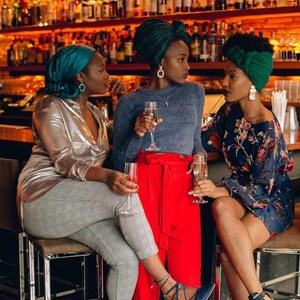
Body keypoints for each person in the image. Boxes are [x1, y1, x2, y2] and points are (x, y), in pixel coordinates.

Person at [16, 44, 213, 300]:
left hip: (77, 209)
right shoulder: (49, 106)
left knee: (125, 258)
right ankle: (170, 287)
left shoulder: (97, 114)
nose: (108, 75)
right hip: (42, 200)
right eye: (101, 69)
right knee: (123, 195)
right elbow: (64, 162)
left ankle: (172, 290)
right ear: (80, 76)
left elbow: (118, 147)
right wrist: (107, 176)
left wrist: (129, 114)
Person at [112, 19, 214, 300]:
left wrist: (200, 161)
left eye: (187, 59)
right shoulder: (130, 103)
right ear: (160, 60)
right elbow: (118, 163)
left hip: (184, 190)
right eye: (181, 59)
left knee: (187, 276)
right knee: (144, 282)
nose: (187, 66)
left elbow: (196, 143)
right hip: (145, 191)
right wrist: (137, 133)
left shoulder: (195, 93)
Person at [194, 33, 295, 300]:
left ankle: (257, 295)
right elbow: (202, 140)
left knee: (229, 256)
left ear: (252, 81)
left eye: (232, 76)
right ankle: (260, 296)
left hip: (272, 201)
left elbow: (264, 185)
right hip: (242, 195)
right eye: (225, 75)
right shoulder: (229, 113)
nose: (224, 82)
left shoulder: (267, 126)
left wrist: (223, 189)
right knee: (219, 205)